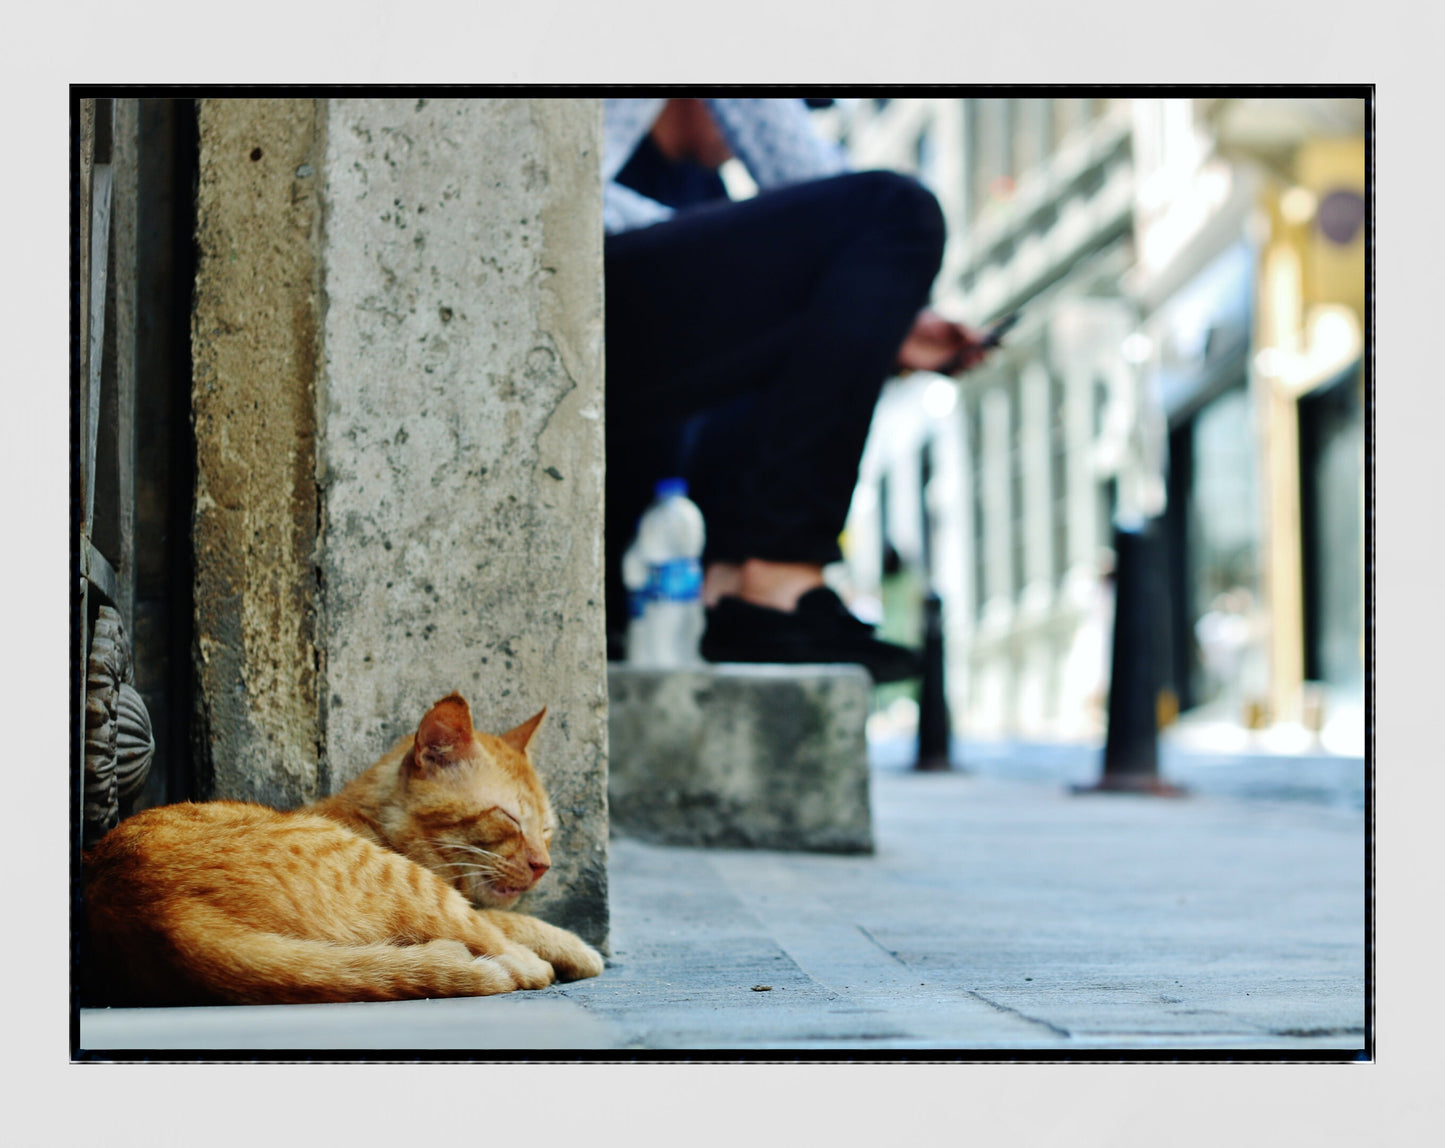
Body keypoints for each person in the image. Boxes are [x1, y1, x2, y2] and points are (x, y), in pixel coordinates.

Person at [603, 97, 994, 682]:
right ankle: (777, 574)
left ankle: (731, 575)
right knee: (899, 213)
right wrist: (873, 282)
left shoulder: (705, 187)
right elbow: (797, 160)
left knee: (822, 289)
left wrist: (886, 314)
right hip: (544, 260)